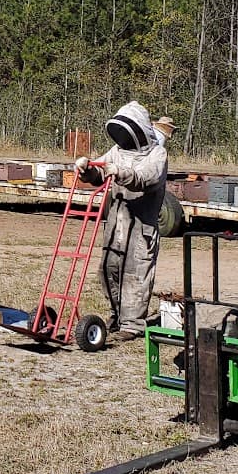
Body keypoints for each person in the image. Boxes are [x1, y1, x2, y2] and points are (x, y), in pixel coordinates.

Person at [76, 100, 169, 339]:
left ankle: (132, 324)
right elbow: (99, 172)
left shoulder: (157, 153)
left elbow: (148, 178)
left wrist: (121, 173)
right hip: (116, 221)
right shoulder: (117, 151)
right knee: (109, 268)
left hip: (142, 225)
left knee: (136, 273)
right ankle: (116, 316)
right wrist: (87, 169)